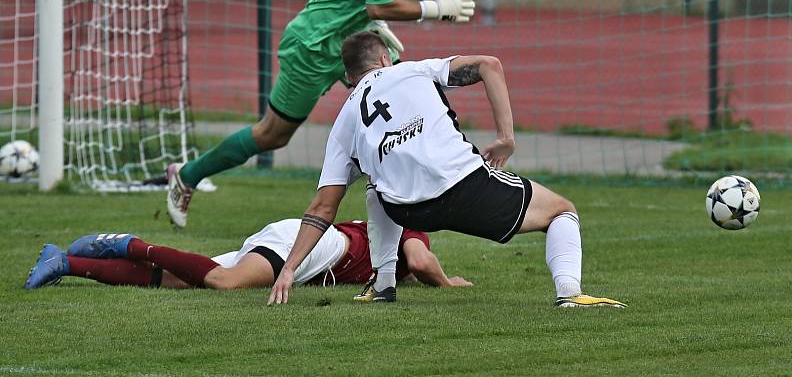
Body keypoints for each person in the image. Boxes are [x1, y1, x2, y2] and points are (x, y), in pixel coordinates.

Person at [166, 0, 476, 227]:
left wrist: (369, 25)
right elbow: (378, 4)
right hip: (312, 46)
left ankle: (439, 190)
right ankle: (188, 175)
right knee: (273, 135)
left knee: (406, 100)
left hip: (347, 41)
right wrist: (433, 8)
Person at [267, 32, 626, 308]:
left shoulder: (344, 121)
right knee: (562, 210)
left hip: (408, 210)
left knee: (376, 184)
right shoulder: (412, 69)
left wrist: (289, 268)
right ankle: (570, 293)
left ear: (349, 76)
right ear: (384, 57)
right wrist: (506, 138)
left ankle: (383, 284)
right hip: (464, 188)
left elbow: (322, 208)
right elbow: (490, 65)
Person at [23, 218, 472, 291]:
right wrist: (448, 282)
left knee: (181, 281)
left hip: (298, 236)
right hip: (320, 247)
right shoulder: (409, 226)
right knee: (224, 282)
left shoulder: (386, 216)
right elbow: (418, 261)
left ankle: (66, 262)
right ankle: (128, 244)